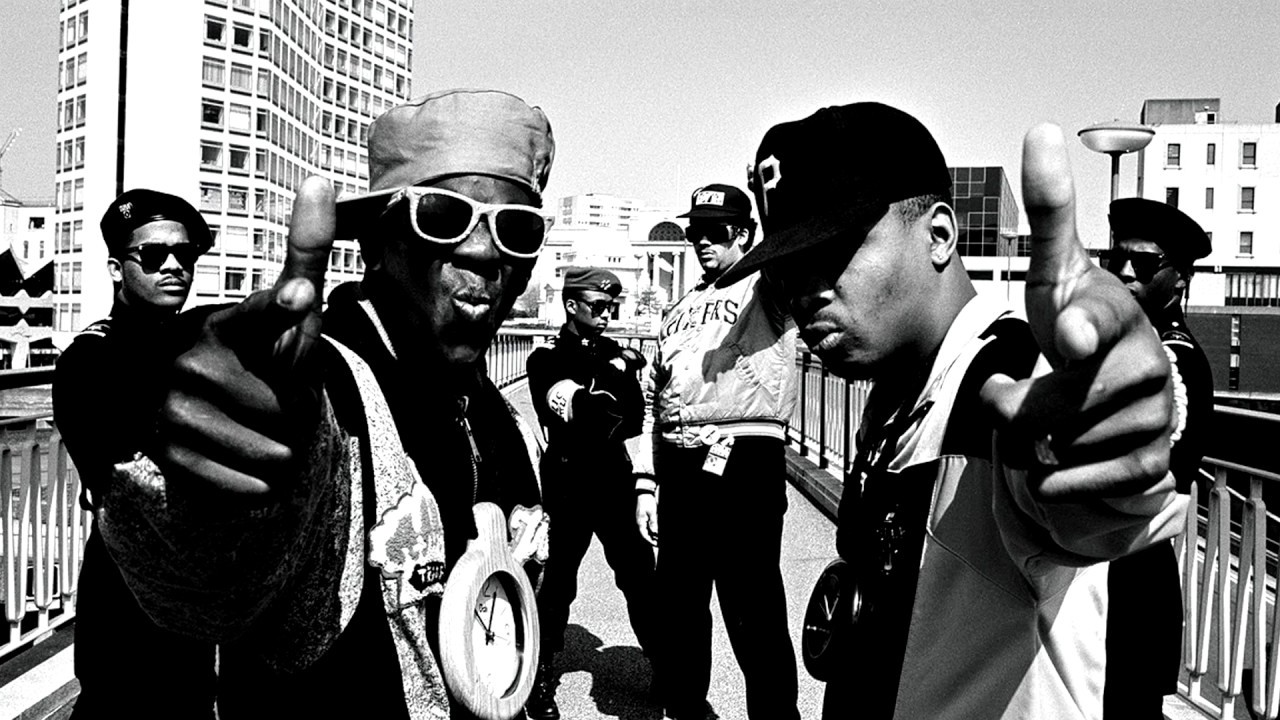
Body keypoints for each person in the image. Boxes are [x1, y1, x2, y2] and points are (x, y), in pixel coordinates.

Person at [713, 101, 1188, 720]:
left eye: (833, 251)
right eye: (787, 269)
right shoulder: (897, 391)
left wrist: (1101, 442)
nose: (807, 291)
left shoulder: (1007, 379)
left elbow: (1069, 500)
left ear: (939, 235)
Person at [92, 89, 554, 719]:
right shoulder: (324, 385)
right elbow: (217, 586)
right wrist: (220, 477)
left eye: (517, 229)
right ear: (375, 245)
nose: (484, 252)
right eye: (443, 217)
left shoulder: (498, 412)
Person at [633, 183, 801, 720]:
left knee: (753, 607)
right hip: (680, 458)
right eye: (695, 232)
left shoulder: (766, 286)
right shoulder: (680, 307)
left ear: (744, 234)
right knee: (680, 604)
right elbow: (651, 398)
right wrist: (645, 483)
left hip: (745, 453)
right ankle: (687, 709)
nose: (703, 241)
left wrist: (771, 202)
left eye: (716, 231)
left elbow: (794, 250)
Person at [53, 189, 217, 719]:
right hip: (128, 596)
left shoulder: (197, 346)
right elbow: (136, 479)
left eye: (184, 254)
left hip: (197, 599)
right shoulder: (91, 360)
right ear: (115, 269)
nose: (173, 265)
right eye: (152, 254)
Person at [524, 266, 659, 719]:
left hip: (614, 480)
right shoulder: (545, 359)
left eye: (611, 307)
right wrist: (616, 376)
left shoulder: (615, 354)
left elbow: (633, 418)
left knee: (641, 575)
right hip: (567, 482)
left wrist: (605, 387)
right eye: (598, 306)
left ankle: (664, 663)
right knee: (556, 582)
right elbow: (585, 412)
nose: (607, 314)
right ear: (571, 305)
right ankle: (539, 673)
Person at [1101, 197, 1213, 718]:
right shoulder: (1133, 348)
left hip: (1130, 591)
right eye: (1116, 258)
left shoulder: (1171, 361)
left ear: (1180, 279)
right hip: (1111, 581)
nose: (1125, 272)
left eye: (1144, 263)